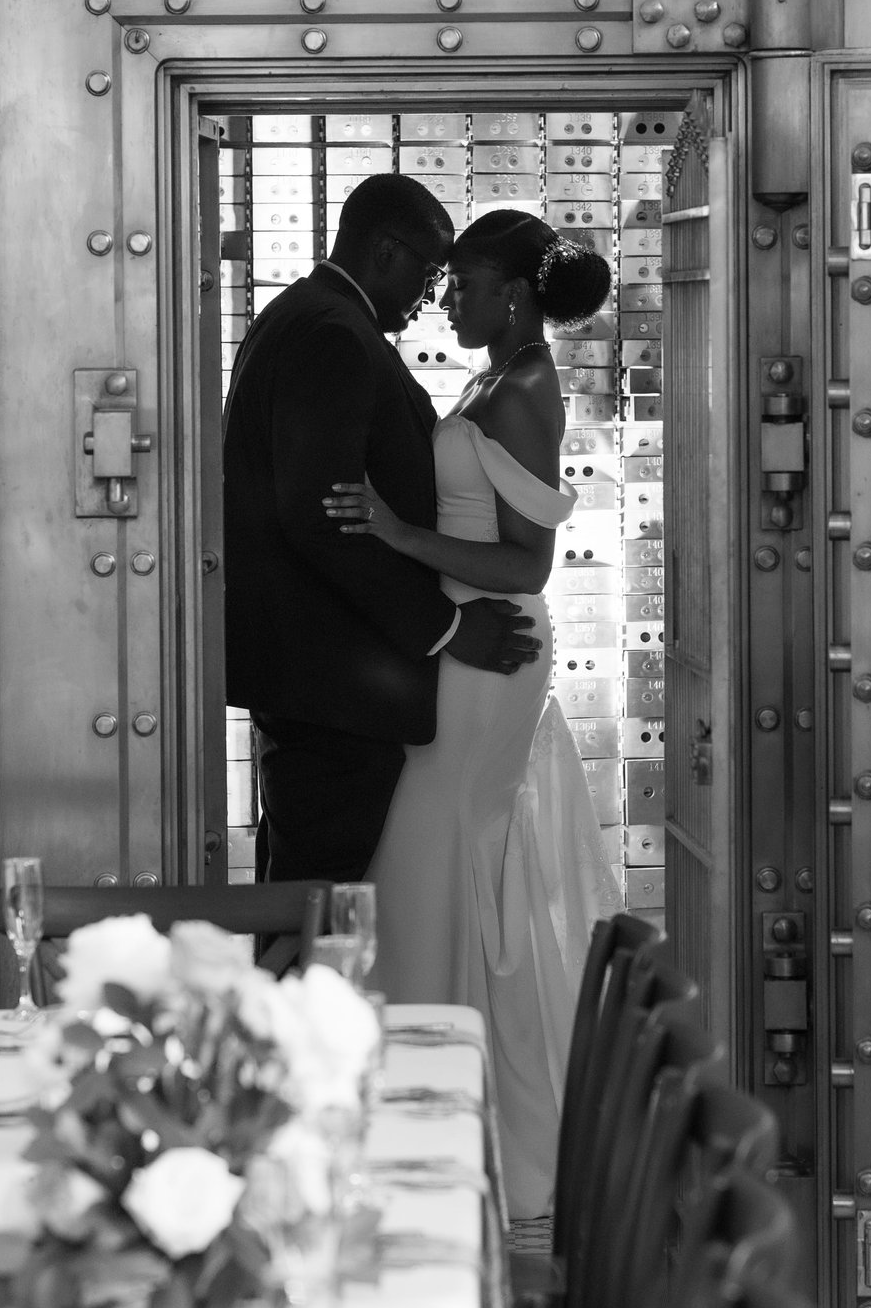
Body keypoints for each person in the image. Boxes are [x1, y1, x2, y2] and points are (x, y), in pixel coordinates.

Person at [324, 209, 627, 1222]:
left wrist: (396, 531)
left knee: (435, 859)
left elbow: (526, 564)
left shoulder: (526, 388)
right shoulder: (501, 378)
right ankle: (454, 1112)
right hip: (472, 649)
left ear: (511, 293)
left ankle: (441, 1119)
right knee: (454, 870)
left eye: (461, 284)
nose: (445, 299)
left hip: (489, 652)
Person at [222, 173, 541, 886]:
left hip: (316, 685)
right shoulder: (333, 335)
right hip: (335, 691)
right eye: (428, 276)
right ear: (387, 251)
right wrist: (450, 628)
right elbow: (326, 520)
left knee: (303, 901)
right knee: (318, 913)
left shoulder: (305, 316)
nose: (429, 299)